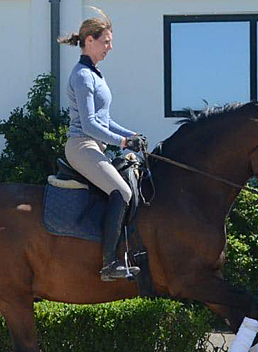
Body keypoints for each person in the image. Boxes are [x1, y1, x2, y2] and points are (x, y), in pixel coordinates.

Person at [58, 9, 146, 282]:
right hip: (82, 145)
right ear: (90, 41)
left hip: (95, 145)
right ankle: (109, 265)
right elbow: (89, 125)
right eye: (106, 41)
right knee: (121, 192)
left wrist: (133, 135)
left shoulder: (96, 75)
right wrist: (122, 141)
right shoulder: (83, 76)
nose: (110, 47)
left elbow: (105, 120)